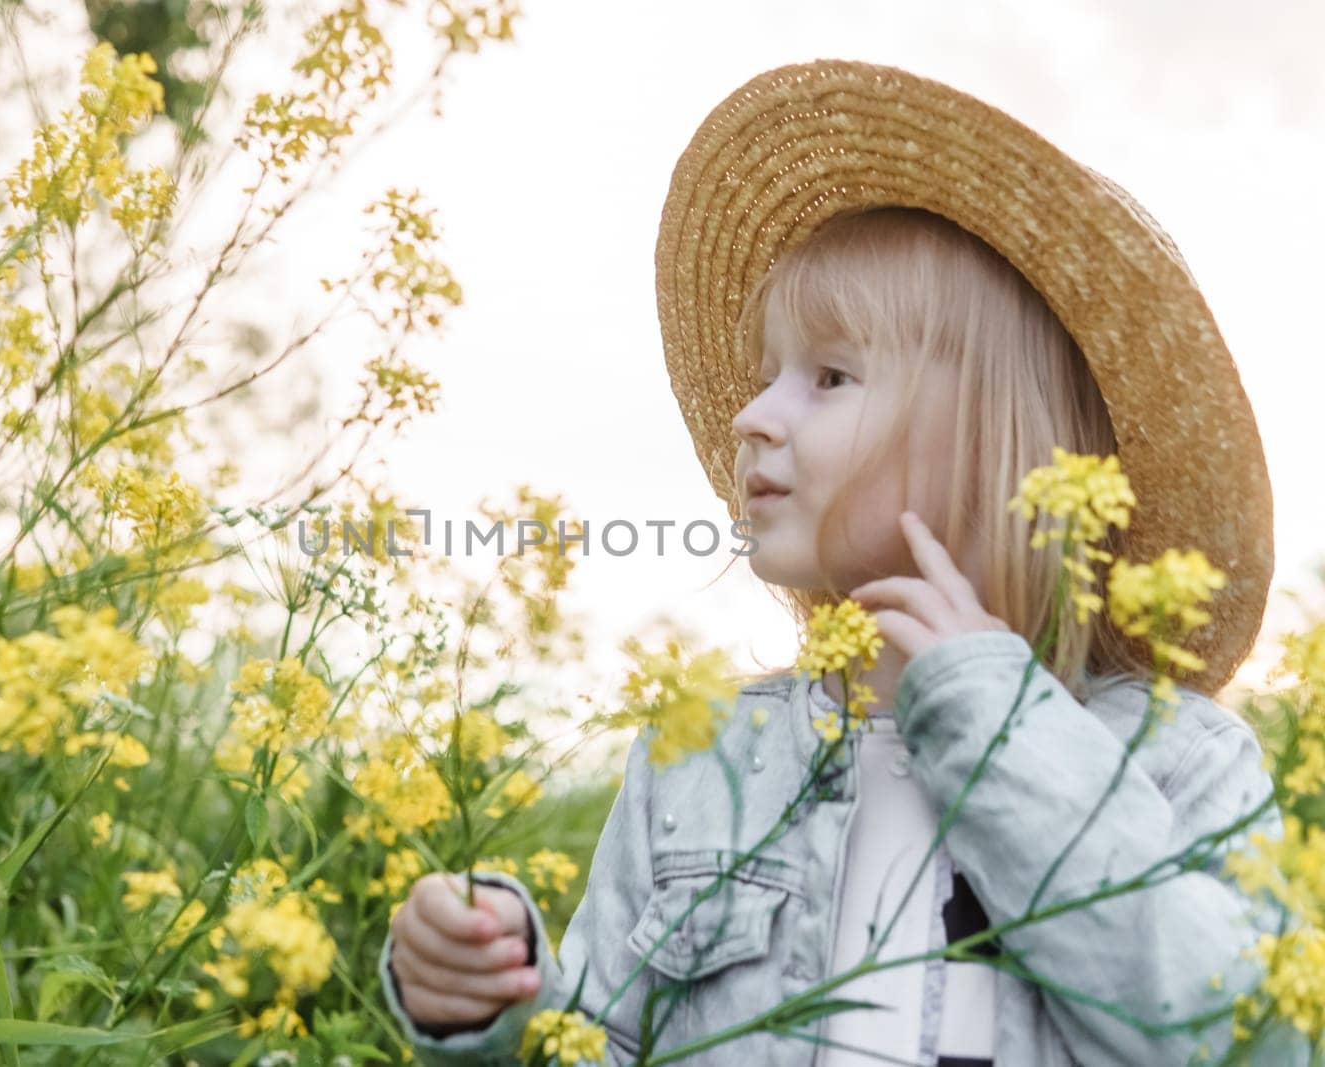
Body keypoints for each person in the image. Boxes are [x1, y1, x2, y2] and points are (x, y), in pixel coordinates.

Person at [376, 59, 1308, 1065]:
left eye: (827, 375)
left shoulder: (1179, 759)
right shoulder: (697, 754)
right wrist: (494, 1001)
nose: (750, 414)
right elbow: (601, 1044)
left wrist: (1001, 727)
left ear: (999, 453)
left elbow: (1242, 1041)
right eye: (769, 372)